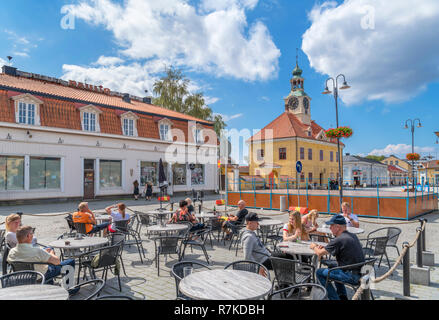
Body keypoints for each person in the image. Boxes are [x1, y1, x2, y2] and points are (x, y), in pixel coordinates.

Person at [310, 215, 365, 300]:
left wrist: (313, 246)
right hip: (361, 273)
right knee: (333, 267)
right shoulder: (352, 235)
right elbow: (333, 248)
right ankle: (342, 296)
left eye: (331, 226)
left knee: (319, 272)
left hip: (351, 276)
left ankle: (334, 298)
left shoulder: (339, 239)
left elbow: (320, 253)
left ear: (338, 227)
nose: (330, 228)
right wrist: (324, 248)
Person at [7, 226, 76, 285]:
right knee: (70, 261)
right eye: (32, 233)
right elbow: (57, 262)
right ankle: (69, 287)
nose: (33, 235)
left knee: (48, 250)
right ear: (28, 236)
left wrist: (44, 253)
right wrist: (51, 253)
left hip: (22, 276)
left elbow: (23, 256)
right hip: (40, 275)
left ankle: (50, 283)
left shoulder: (12, 251)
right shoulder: (37, 251)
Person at [241, 212, 295, 277]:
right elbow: (247, 257)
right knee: (287, 262)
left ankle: (284, 282)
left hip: (267, 256)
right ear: (249, 223)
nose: (258, 224)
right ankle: (284, 284)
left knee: (289, 256)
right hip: (263, 261)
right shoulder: (248, 237)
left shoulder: (251, 233)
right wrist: (259, 267)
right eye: (256, 222)